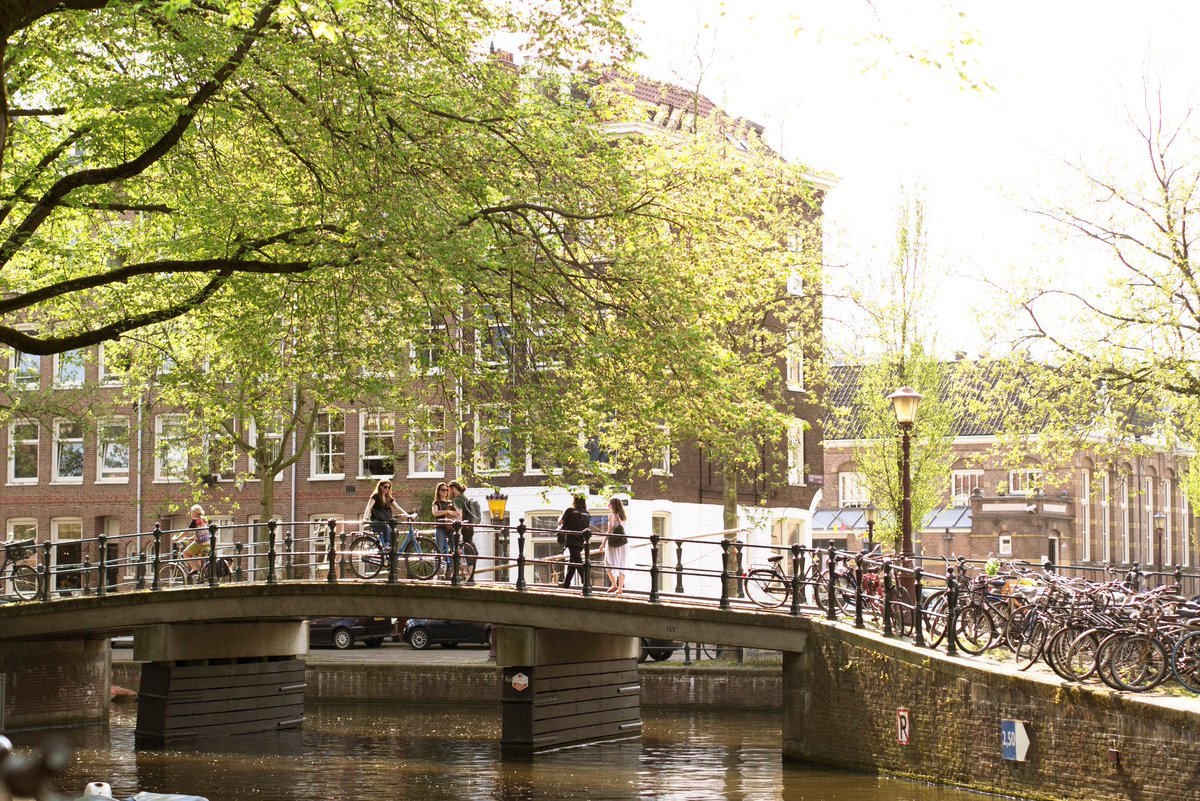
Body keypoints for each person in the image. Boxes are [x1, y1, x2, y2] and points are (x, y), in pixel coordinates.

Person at [361, 479, 407, 549]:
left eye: (389, 487)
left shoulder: (388, 497)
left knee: (395, 531)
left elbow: (398, 508)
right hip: (376, 521)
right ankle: (386, 545)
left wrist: (408, 515)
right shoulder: (375, 496)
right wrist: (365, 518)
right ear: (380, 486)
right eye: (385, 487)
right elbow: (368, 508)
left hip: (385, 521)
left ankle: (392, 551)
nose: (387, 489)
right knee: (386, 526)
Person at [557, 495, 591, 589]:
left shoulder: (570, 511)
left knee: (578, 562)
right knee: (573, 562)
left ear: (575, 501)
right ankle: (566, 583)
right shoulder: (587, 514)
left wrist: (560, 518)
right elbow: (587, 527)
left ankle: (585, 580)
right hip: (581, 540)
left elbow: (560, 523)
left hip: (572, 540)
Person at [431, 482, 460, 575]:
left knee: (454, 548)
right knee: (438, 548)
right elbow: (435, 513)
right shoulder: (436, 502)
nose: (445, 492)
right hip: (440, 527)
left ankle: (454, 571)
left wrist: (455, 514)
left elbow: (457, 513)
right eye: (443, 490)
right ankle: (437, 572)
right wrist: (447, 511)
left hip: (451, 527)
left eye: (446, 490)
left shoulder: (451, 502)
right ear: (438, 491)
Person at [174, 504, 210, 575]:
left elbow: (187, 532)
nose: (191, 513)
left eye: (191, 512)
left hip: (200, 543)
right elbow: (202, 532)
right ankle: (204, 575)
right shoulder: (204, 520)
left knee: (185, 553)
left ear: (195, 512)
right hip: (207, 542)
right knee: (200, 560)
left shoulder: (195, 520)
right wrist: (192, 537)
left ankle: (194, 569)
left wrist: (177, 538)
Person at [602, 497, 628, 594]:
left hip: (613, 544)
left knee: (608, 562)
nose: (608, 506)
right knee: (622, 564)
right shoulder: (623, 516)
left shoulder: (611, 515)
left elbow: (609, 530)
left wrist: (602, 544)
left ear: (613, 505)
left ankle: (614, 584)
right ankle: (620, 588)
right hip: (623, 543)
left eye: (609, 504)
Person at [447, 480, 481, 545]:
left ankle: (473, 554)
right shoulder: (463, 497)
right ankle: (475, 554)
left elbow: (460, 514)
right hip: (469, 524)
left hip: (465, 526)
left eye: (449, 490)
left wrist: (458, 528)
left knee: (466, 546)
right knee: (469, 544)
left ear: (453, 489)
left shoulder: (457, 500)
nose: (449, 493)